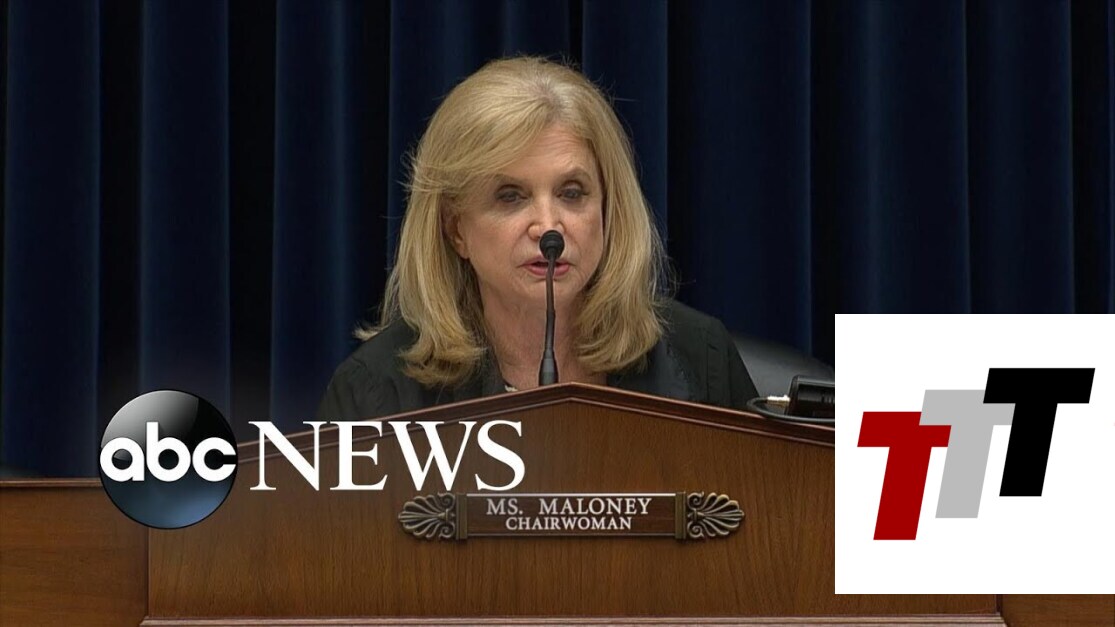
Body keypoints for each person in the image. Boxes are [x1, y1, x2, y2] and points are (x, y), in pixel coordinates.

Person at [316, 56, 757, 421]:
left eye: (572, 193)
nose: (548, 227)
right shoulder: (375, 393)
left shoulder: (700, 358)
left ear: (608, 209)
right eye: (511, 196)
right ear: (455, 230)